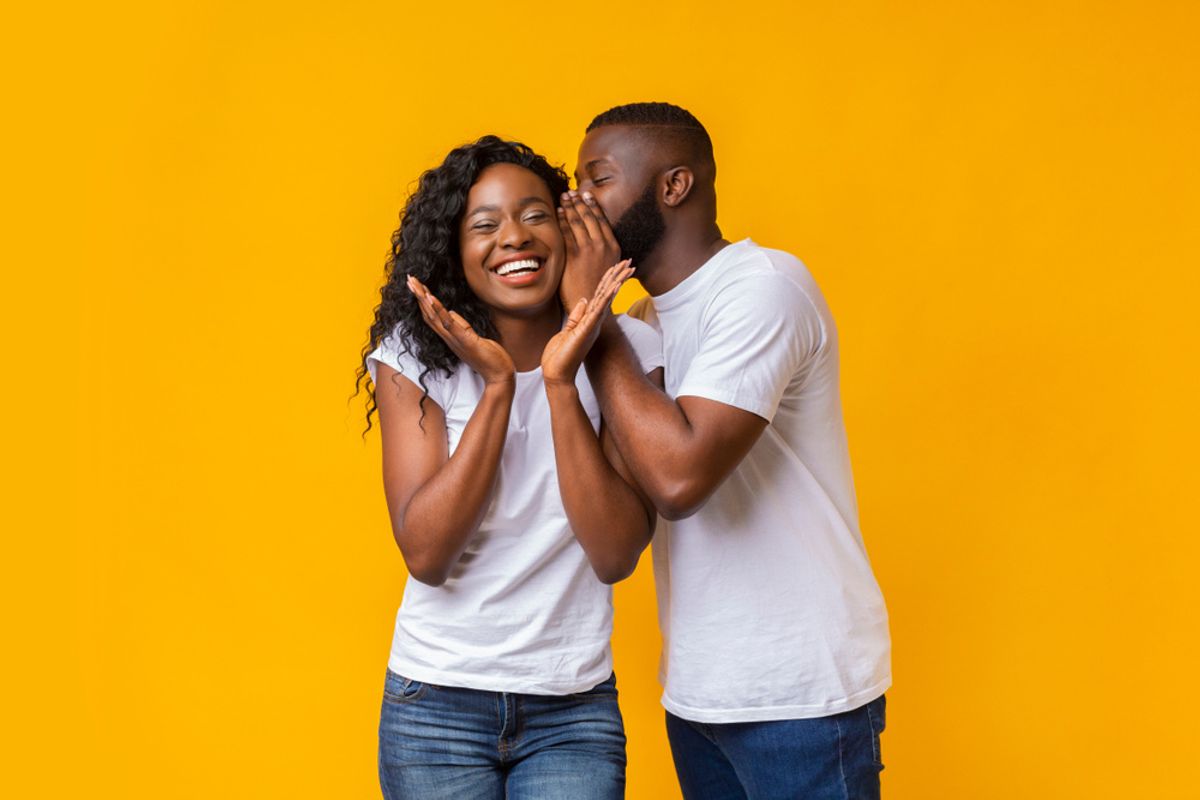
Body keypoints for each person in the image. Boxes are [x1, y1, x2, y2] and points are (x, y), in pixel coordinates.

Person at [556, 102, 893, 800]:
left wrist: (597, 323)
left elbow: (680, 479)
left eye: (599, 179)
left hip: (802, 698)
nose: (577, 202)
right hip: (701, 695)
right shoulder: (644, 322)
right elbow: (620, 533)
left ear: (673, 186)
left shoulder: (763, 287)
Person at [355, 135, 662, 799]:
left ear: (571, 232)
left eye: (534, 216)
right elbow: (427, 553)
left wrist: (557, 382)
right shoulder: (413, 356)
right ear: (453, 251)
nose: (513, 239)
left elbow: (615, 553)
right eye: (484, 225)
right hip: (435, 702)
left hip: (572, 707)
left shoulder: (629, 348)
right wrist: (497, 389)